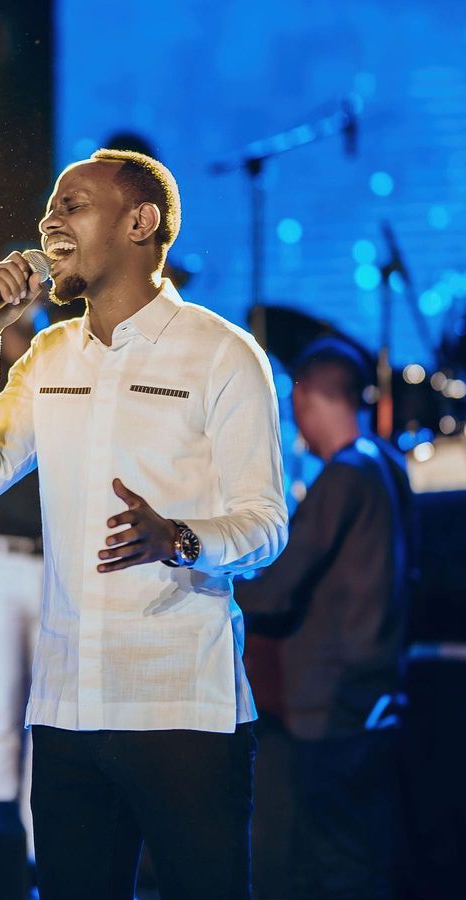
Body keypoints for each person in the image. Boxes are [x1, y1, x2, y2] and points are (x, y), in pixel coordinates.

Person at [0, 149, 287, 900]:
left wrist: (182, 539)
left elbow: (265, 525)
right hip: (68, 707)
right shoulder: (50, 353)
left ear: (140, 222)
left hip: (181, 708)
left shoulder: (222, 354)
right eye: (49, 209)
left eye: (72, 206)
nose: (49, 224)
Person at [237, 338, 412, 900]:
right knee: (362, 850)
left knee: (333, 859)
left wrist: (211, 581)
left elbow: (278, 588)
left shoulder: (344, 477)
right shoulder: (386, 463)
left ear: (309, 395)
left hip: (332, 698)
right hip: (374, 688)